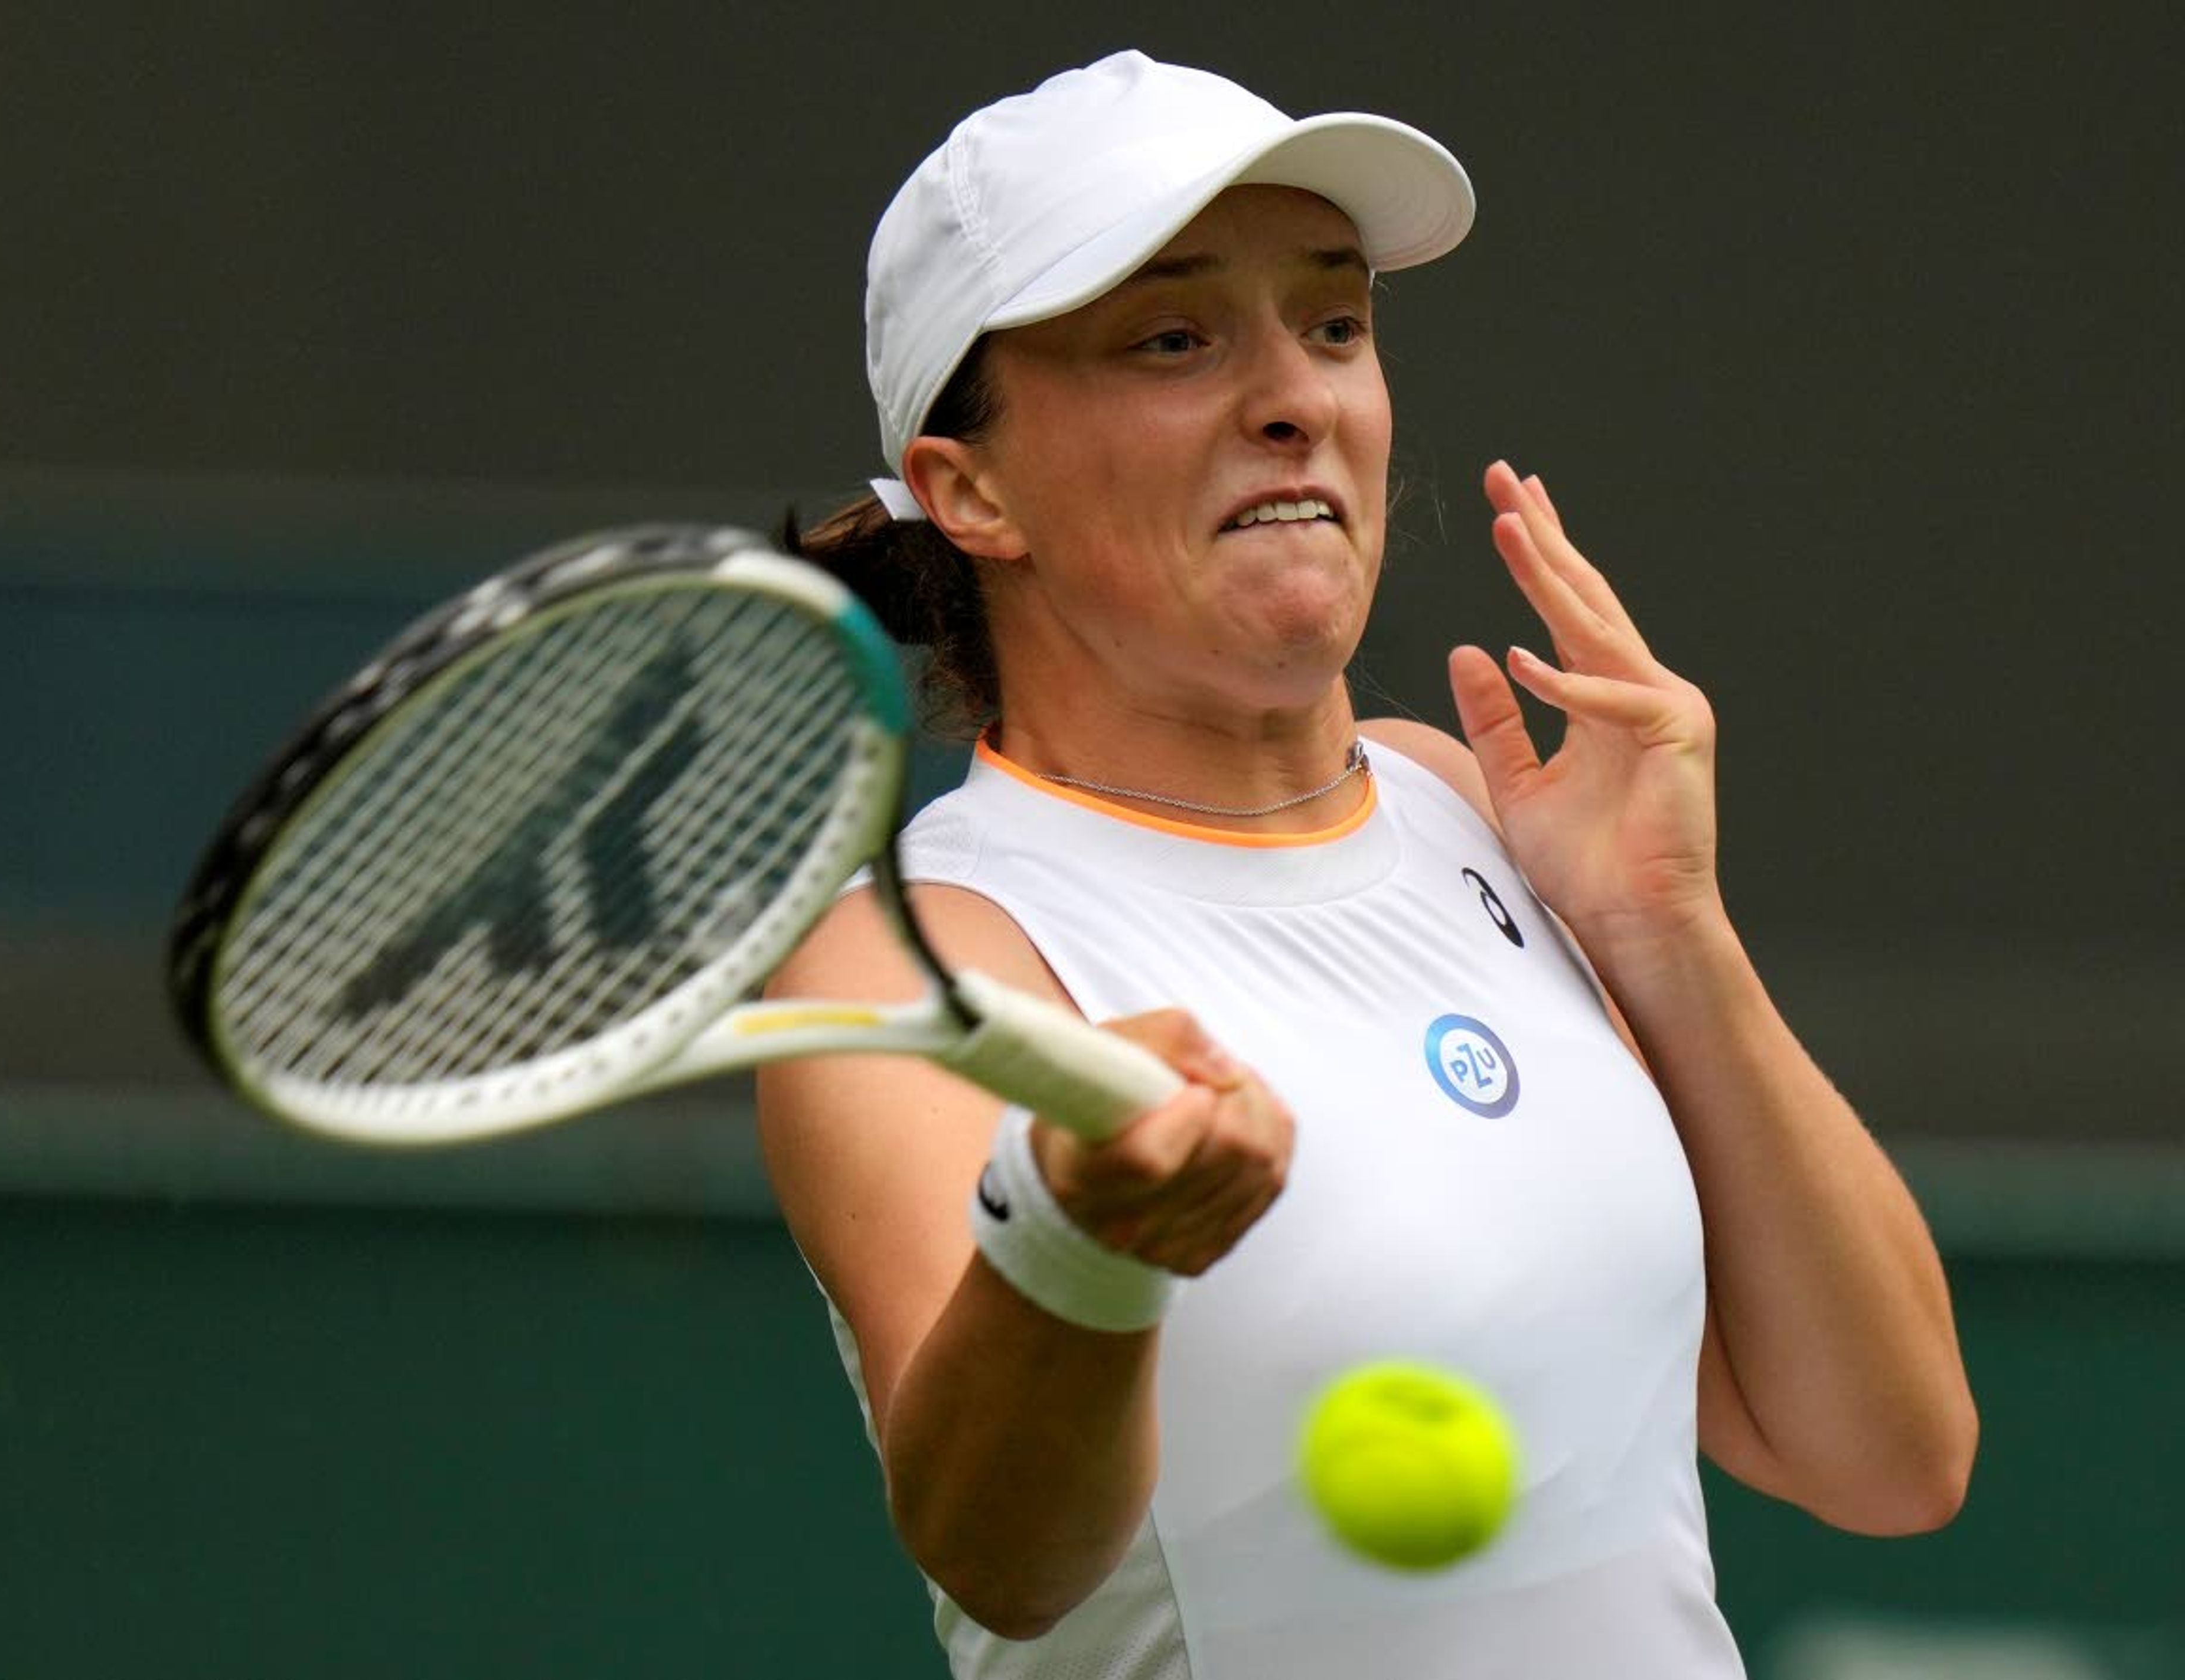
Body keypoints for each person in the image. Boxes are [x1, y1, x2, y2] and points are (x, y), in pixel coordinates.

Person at [756, 50, 1976, 1680]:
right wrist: (1078, 1240)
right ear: (970, 486)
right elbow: (1006, 1559)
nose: (1300, 398)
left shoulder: (1457, 802)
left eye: (1333, 324)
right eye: (1175, 338)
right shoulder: (920, 967)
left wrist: (1670, 932)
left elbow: (1889, 1457)